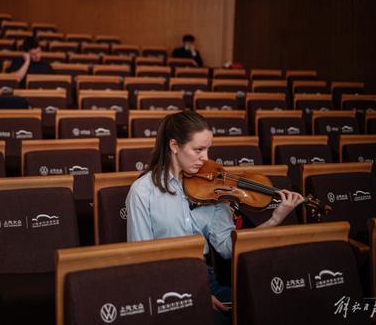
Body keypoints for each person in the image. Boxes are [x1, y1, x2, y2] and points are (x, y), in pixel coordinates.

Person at [125, 111, 304, 315]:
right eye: (198, 149)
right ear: (174, 146)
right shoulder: (142, 191)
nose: (206, 158)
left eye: (208, 149)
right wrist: (189, 295)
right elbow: (140, 260)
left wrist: (275, 219)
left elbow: (228, 247)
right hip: (165, 285)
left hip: (205, 279)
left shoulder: (213, 189)